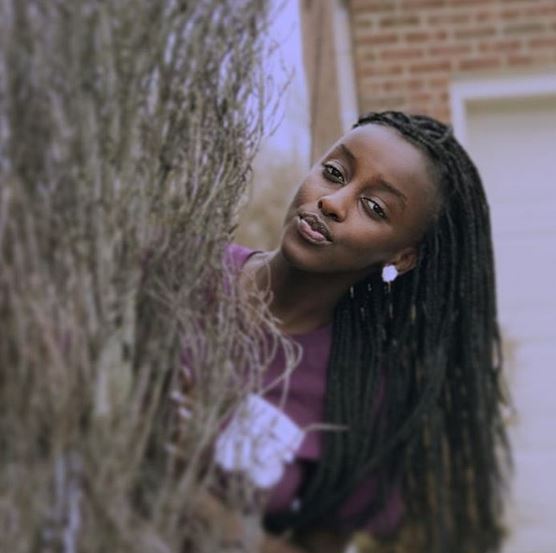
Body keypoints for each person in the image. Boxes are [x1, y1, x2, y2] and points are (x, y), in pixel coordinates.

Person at [200, 111, 510, 553]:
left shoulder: (362, 395)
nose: (332, 202)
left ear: (402, 257)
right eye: (333, 173)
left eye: (375, 207)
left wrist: (202, 512)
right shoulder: (182, 272)